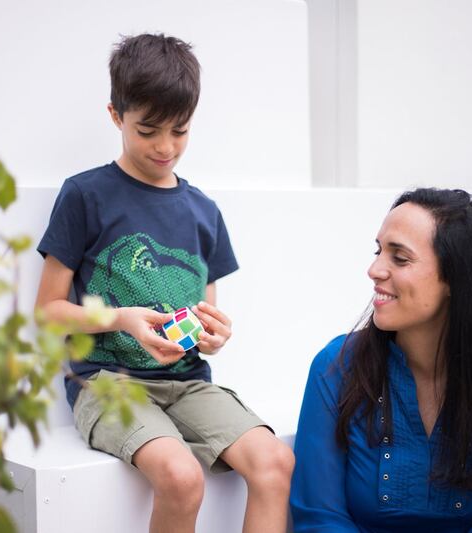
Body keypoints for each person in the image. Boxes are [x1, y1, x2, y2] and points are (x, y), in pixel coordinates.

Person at [35, 33, 294, 533]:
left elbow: (203, 316)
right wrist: (121, 320)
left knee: (276, 463)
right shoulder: (86, 194)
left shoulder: (203, 211)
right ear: (116, 116)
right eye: (148, 129)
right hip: (107, 382)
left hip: (189, 383)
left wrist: (213, 334)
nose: (165, 147)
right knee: (180, 477)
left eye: (180, 131)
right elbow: (47, 310)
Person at [290, 188, 472, 532]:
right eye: (379, 251)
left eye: (399, 258)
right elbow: (319, 518)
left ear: (457, 277)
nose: (374, 270)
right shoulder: (336, 367)